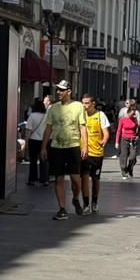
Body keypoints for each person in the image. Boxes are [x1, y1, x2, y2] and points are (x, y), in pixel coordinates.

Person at [42, 80, 86, 219]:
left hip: (73, 146)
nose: (58, 92)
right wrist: (43, 147)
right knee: (59, 179)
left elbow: (82, 127)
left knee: (75, 179)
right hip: (56, 147)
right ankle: (62, 208)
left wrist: (84, 145)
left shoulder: (78, 106)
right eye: (57, 90)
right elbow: (48, 128)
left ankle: (75, 198)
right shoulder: (53, 108)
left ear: (69, 91)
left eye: (61, 90)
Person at [79, 93, 110, 213]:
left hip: (97, 153)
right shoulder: (81, 115)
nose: (84, 105)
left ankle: (95, 201)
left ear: (93, 104)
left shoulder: (100, 115)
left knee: (96, 179)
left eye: (87, 103)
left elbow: (106, 131)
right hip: (84, 152)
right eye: (83, 103)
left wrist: (104, 140)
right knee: (84, 178)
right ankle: (86, 203)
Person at [23, 96, 49, 185]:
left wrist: (26, 142)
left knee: (33, 160)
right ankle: (44, 179)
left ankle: (32, 178)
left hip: (33, 140)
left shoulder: (32, 116)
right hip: (44, 141)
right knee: (44, 160)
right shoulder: (46, 116)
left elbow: (28, 130)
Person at [114, 100, 140, 178]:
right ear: (128, 113)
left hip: (133, 140)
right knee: (123, 156)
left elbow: (138, 129)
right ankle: (124, 171)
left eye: (134, 114)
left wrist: (137, 124)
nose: (133, 115)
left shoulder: (135, 119)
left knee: (133, 157)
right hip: (124, 139)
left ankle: (130, 168)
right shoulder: (123, 119)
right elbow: (118, 131)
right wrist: (116, 142)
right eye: (132, 114)